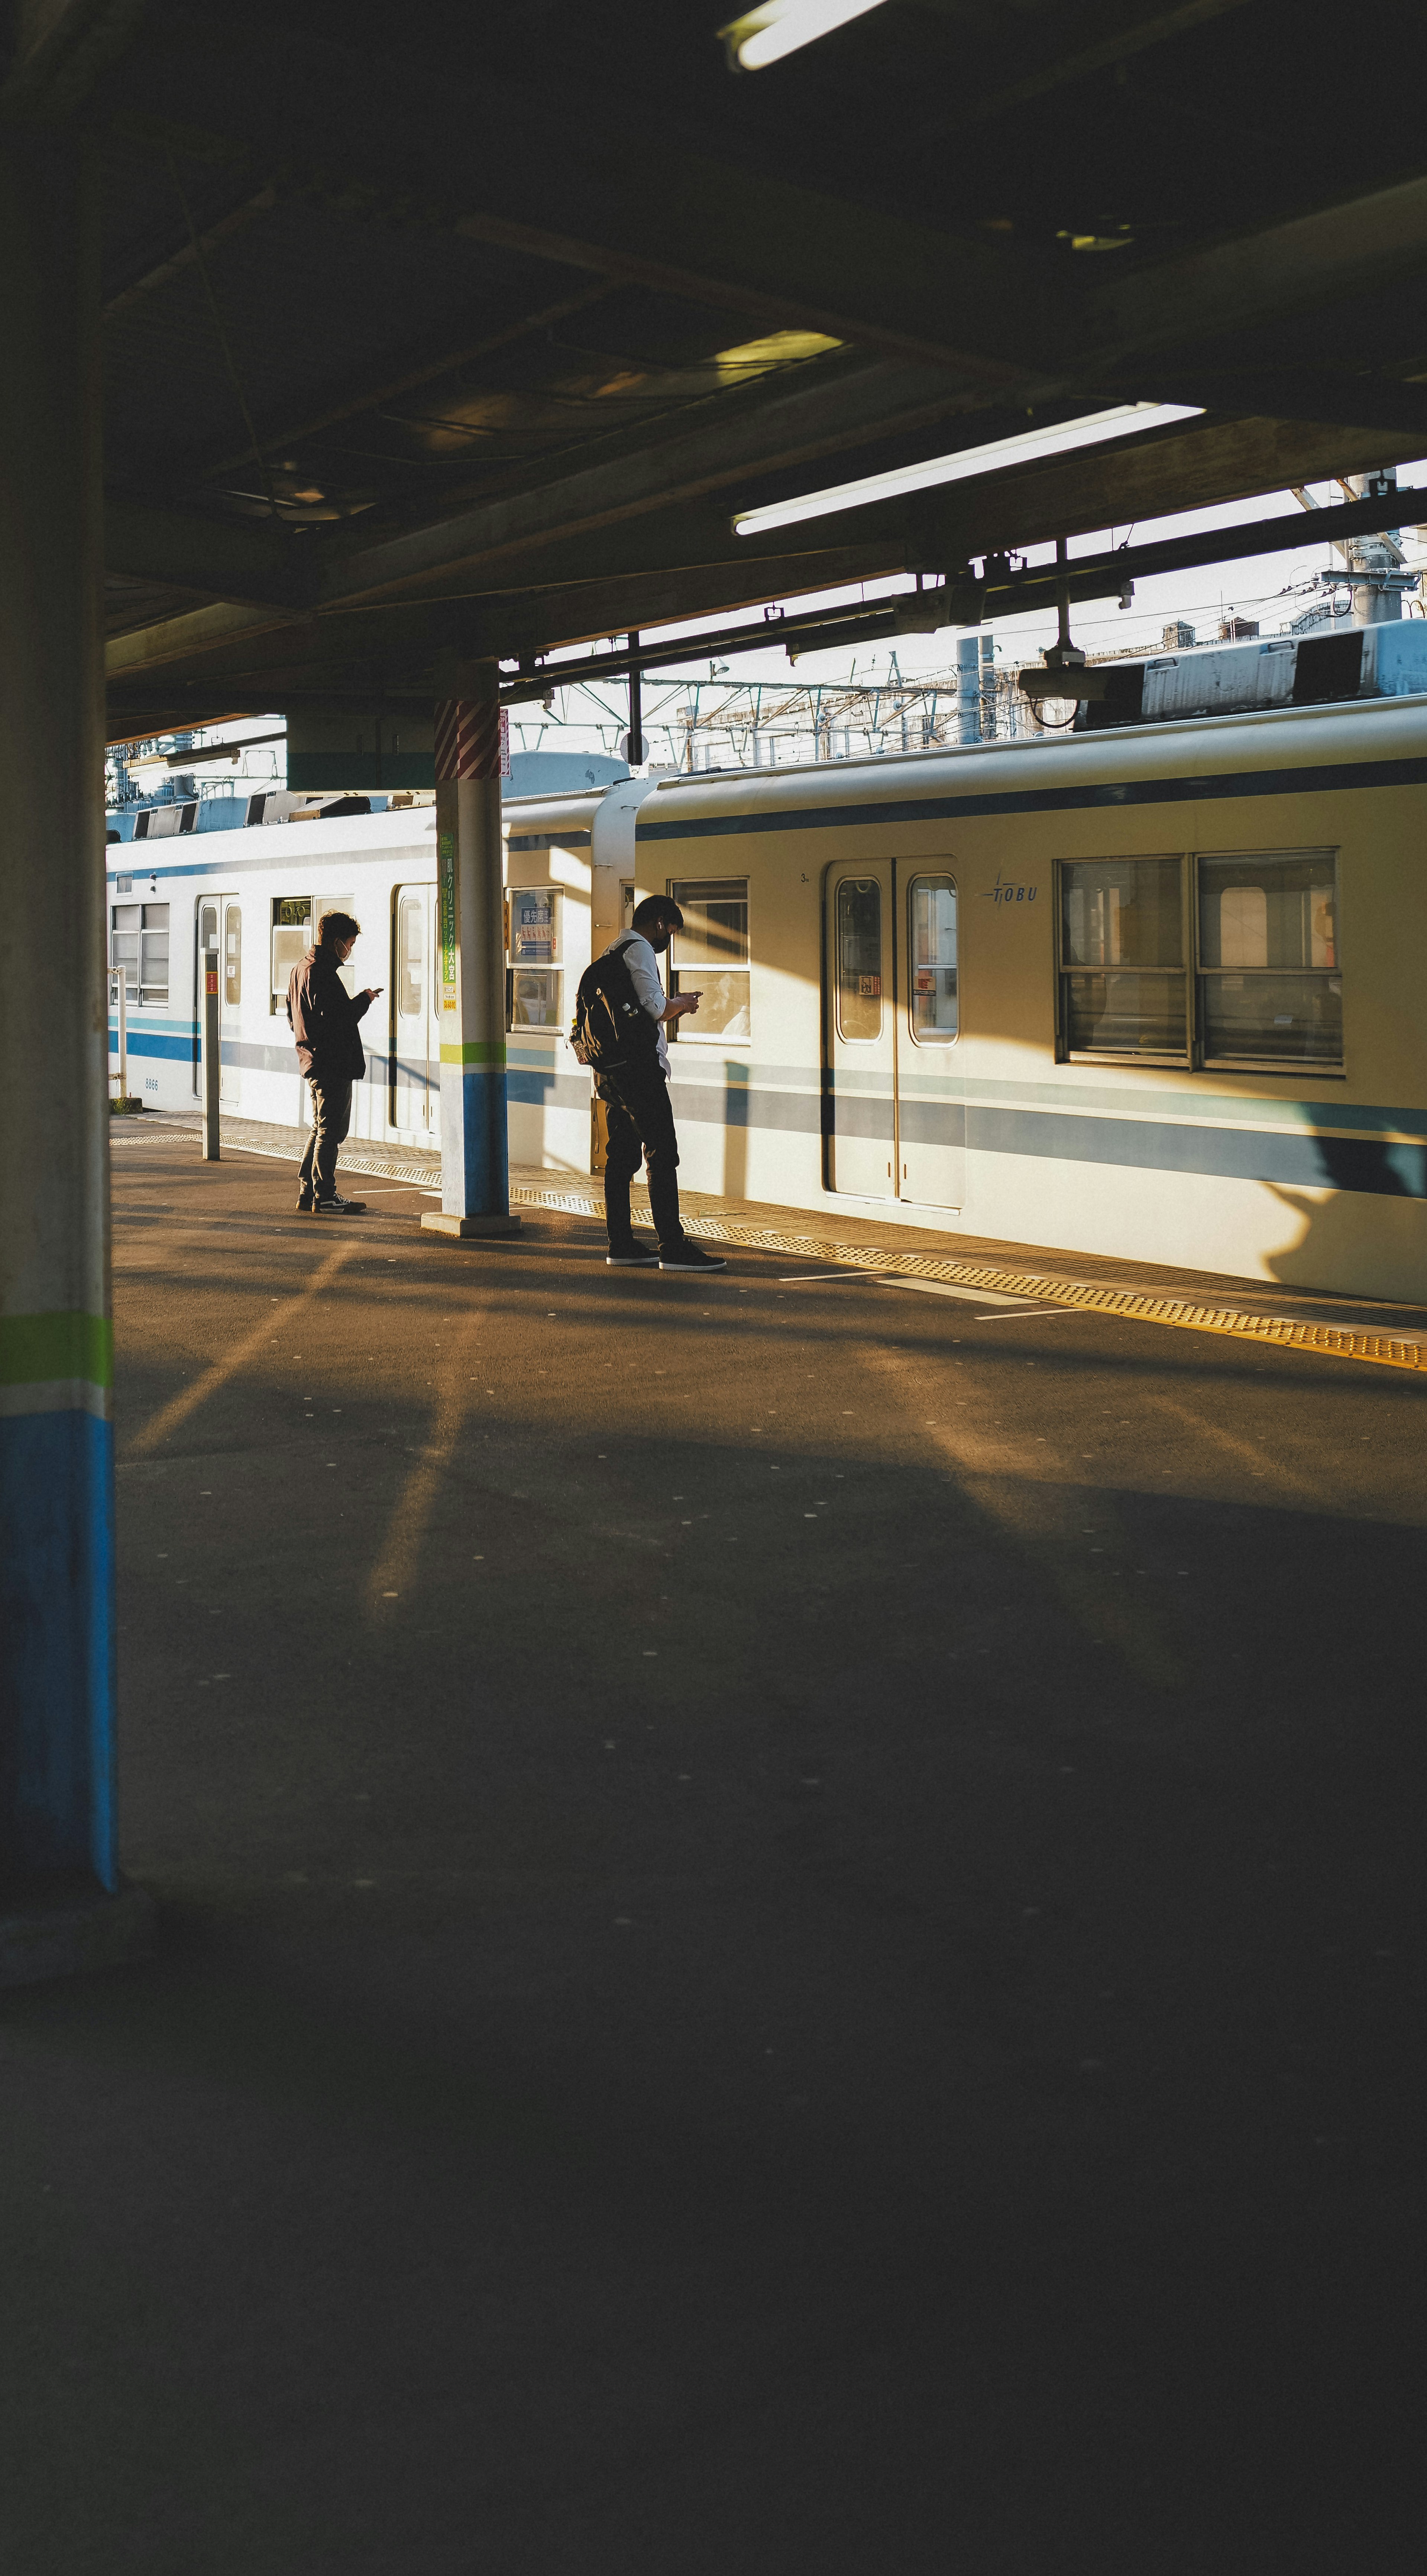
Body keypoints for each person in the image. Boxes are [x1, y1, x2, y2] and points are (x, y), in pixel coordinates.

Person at [586, 897, 728, 1273]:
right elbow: (655, 1007)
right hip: (639, 1072)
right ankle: (673, 1246)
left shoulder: (612, 950)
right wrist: (680, 1002)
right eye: (672, 932)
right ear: (661, 922)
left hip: (611, 1072)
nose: (669, 941)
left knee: (623, 1157)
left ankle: (622, 1242)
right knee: (662, 1154)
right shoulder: (640, 950)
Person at [287, 912, 382, 1214]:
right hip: (332, 1064)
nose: (350, 950)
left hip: (313, 1060)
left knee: (319, 1128)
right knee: (330, 1132)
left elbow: (293, 1017)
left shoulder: (300, 969)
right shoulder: (323, 974)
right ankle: (325, 1195)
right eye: (350, 943)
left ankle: (309, 1192)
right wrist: (364, 1000)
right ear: (338, 942)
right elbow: (338, 1019)